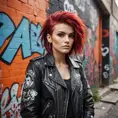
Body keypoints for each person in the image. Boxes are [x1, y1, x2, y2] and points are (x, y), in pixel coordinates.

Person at [20, 11, 94, 118]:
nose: (67, 40)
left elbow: (88, 101)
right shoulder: (37, 67)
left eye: (71, 36)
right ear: (49, 38)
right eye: (61, 35)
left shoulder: (77, 67)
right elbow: (29, 111)